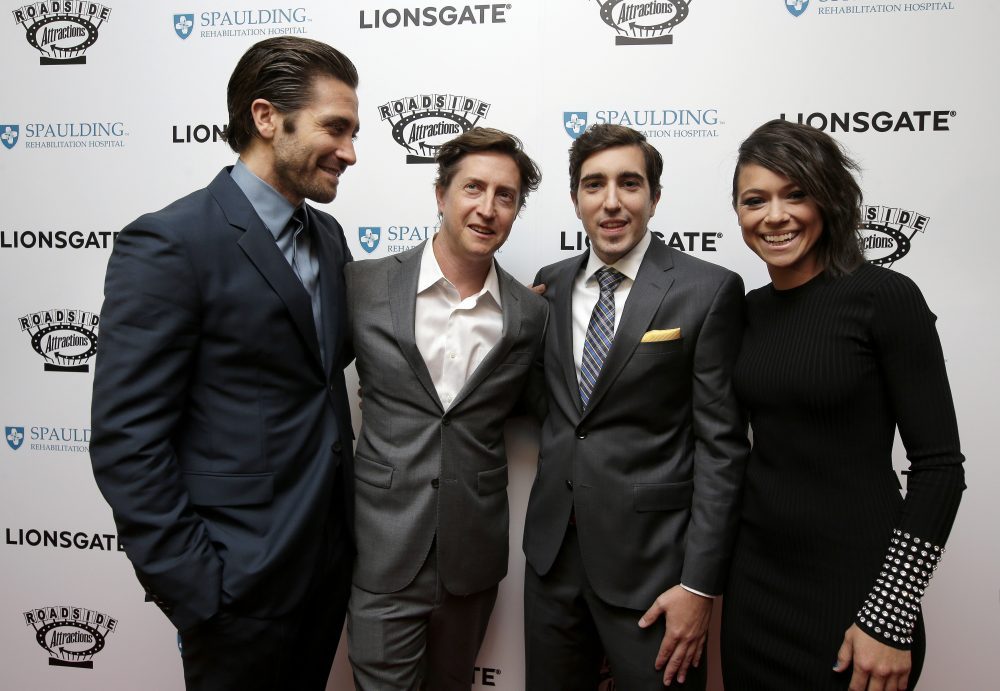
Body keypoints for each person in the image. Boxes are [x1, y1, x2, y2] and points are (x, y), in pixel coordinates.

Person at [89, 37, 359, 690]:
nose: (351, 152)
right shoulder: (170, 242)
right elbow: (127, 440)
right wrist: (200, 590)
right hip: (237, 593)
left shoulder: (327, 235)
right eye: (336, 128)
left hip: (326, 572)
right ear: (266, 118)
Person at [721, 119, 965, 691]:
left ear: (829, 198)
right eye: (755, 200)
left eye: (795, 194)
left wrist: (891, 615)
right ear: (738, 214)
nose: (774, 216)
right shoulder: (746, 310)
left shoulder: (884, 297)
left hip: (859, 593)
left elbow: (939, 470)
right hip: (755, 592)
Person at [522, 123, 748, 690]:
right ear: (575, 198)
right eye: (594, 185)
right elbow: (550, 405)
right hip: (552, 562)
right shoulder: (549, 287)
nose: (612, 201)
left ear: (654, 196)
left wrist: (699, 586)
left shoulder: (707, 290)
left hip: (654, 571)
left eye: (630, 183)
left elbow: (722, 450)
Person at [345, 127, 548, 690]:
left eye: (504, 196)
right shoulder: (364, 285)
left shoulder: (529, 317)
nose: (487, 208)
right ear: (441, 194)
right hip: (382, 549)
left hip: (472, 557)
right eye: (473, 188)